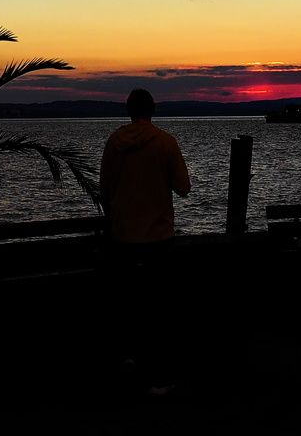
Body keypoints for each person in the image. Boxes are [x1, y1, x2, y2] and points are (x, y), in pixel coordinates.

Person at [100, 89, 191, 394]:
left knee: (125, 305)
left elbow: (104, 189)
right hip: (158, 239)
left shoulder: (114, 142)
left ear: (128, 110)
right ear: (152, 110)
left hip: (123, 237)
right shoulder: (165, 142)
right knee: (160, 309)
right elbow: (183, 188)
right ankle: (159, 378)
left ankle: (127, 360)